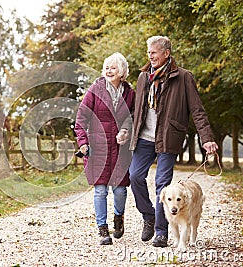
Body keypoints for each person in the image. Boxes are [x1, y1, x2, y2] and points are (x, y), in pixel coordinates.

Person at [129, 36, 218, 247]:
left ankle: (161, 232)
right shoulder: (143, 77)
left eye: (154, 52)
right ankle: (149, 215)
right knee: (134, 176)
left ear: (166, 53)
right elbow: (137, 109)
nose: (150, 56)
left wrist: (207, 139)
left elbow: (197, 110)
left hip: (168, 138)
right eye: (148, 52)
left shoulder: (184, 77)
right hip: (144, 137)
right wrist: (127, 131)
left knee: (162, 186)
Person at [75, 52, 135, 245]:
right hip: (98, 148)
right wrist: (83, 142)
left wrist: (126, 130)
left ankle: (119, 217)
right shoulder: (95, 90)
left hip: (120, 150)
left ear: (122, 72)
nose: (109, 71)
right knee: (100, 190)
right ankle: (103, 229)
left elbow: (133, 117)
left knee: (120, 191)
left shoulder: (130, 93)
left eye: (113, 68)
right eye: (107, 67)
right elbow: (80, 119)